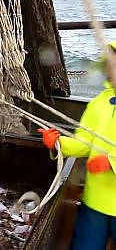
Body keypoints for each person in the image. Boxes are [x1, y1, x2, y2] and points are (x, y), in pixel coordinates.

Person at [39, 41, 116, 250]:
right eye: (111, 64)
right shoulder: (98, 103)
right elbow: (84, 142)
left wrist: (110, 163)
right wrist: (57, 143)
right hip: (95, 202)